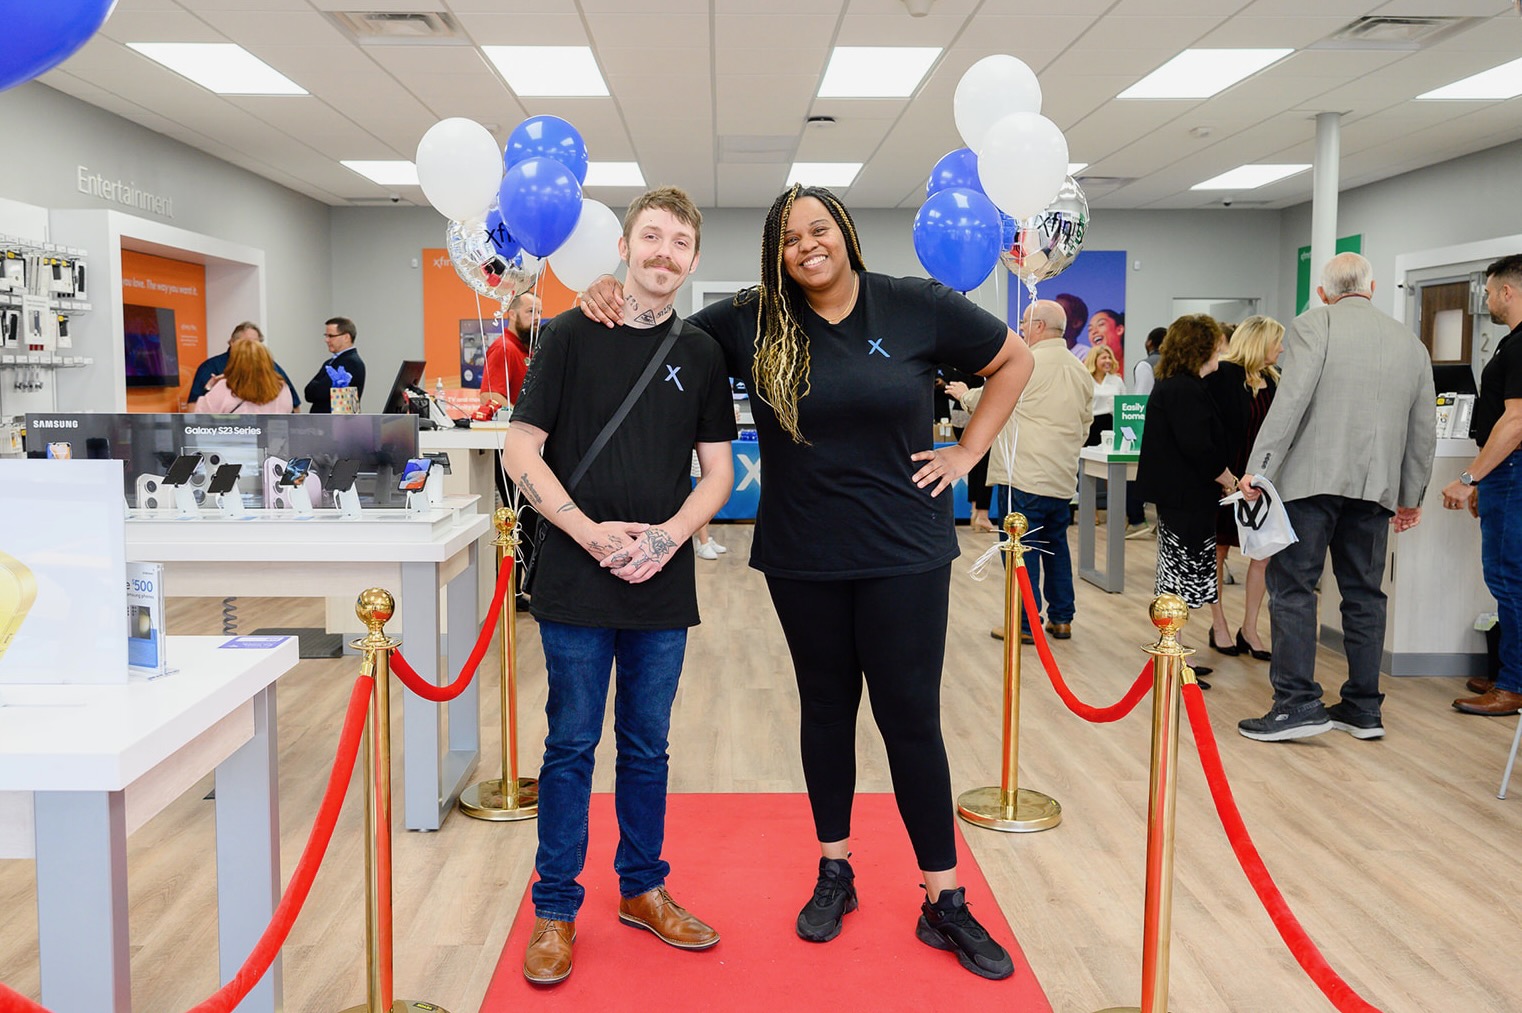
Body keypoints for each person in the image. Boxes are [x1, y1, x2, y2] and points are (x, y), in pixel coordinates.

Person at [580, 184, 1033, 980]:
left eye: (819, 230)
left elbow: (1012, 359)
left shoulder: (915, 305)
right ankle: (835, 870)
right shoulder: (753, 319)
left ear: (846, 233)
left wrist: (968, 454)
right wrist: (606, 290)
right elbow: (661, 339)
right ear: (775, 253)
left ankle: (945, 898)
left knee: (908, 718)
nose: (806, 246)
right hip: (804, 554)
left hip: (904, 550)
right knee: (826, 708)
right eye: (789, 239)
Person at [502, 186, 736, 986]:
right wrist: (585, 529)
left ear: (693, 260)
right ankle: (556, 909)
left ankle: (641, 887)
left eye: (679, 243)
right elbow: (520, 450)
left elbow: (719, 472)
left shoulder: (701, 352)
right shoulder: (568, 333)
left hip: (659, 579)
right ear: (626, 247)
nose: (664, 254)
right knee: (569, 746)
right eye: (652, 237)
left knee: (647, 745)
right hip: (575, 571)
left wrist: (669, 537)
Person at [1237, 252, 1436, 741]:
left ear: (1324, 292)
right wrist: (1411, 496)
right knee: (1365, 595)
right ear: (1371, 289)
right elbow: (1423, 428)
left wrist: (1257, 471)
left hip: (1311, 483)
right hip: (1376, 491)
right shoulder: (1410, 343)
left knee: (1293, 589)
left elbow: (1290, 402)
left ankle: (1297, 704)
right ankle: (1363, 707)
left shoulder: (1314, 324)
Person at [949, 298, 1091, 644]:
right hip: (1061, 478)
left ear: (1039, 327)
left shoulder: (1027, 362)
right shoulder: (1080, 370)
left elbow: (990, 399)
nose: (1022, 330)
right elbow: (1085, 425)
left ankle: (1025, 623)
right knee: (1056, 546)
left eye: (1025, 323)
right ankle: (1061, 619)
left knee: (1019, 552)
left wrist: (965, 395)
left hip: (1023, 475)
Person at [1135, 315, 1234, 688]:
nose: (1220, 354)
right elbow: (1198, 447)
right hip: (1184, 496)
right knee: (1177, 578)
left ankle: (1176, 653)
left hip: (1188, 496)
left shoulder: (1182, 385)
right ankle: (1171, 657)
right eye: (1216, 346)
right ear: (1201, 348)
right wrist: (1227, 478)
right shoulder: (1183, 389)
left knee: (1182, 576)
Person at [1446, 254, 1522, 716]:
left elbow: (1515, 423)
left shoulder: (1520, 347)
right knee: (1506, 578)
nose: (1488, 299)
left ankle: (1512, 685)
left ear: (1509, 292)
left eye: (1491, 291)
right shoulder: (1510, 344)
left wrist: (1469, 476)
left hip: (1512, 471)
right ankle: (1509, 671)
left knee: (1508, 579)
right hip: (1505, 475)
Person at [1204, 315, 1283, 661]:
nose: (1281, 348)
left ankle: (1249, 627)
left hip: (1262, 479)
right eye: (1276, 342)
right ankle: (1218, 623)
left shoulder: (1273, 379)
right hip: (1226, 479)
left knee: (1262, 554)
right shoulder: (1222, 376)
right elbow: (1211, 430)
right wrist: (1224, 478)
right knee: (1217, 553)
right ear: (1259, 342)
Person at [185, 321, 300, 409]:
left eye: (256, 343)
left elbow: (294, 407)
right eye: (246, 343)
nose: (251, 347)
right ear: (232, 342)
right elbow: (193, 408)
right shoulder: (211, 368)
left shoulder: (272, 368)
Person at [936, 364, 994, 531]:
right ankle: (981, 513)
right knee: (984, 463)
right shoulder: (981, 358)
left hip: (959, 413)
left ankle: (976, 510)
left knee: (974, 463)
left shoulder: (957, 359)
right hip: (974, 410)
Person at [1124, 326, 1167, 538]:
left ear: (1149, 342)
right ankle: (1163, 523)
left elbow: (1140, 400)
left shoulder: (1146, 365)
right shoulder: (1175, 364)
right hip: (1170, 434)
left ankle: (1136, 520)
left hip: (1149, 430)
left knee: (1134, 475)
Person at [480, 292, 540, 407]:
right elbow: (489, 396)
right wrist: (519, 419)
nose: (537, 317)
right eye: (531, 311)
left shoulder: (526, 350)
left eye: (539, 312)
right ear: (512, 315)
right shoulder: (504, 348)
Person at [304, 316, 366, 413]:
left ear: (346, 337)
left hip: (336, 424)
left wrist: (316, 385)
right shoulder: (330, 362)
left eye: (331, 336)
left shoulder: (350, 362)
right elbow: (308, 393)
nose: (326, 340)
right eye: (326, 335)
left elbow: (319, 392)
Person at [1084, 344, 1125, 447]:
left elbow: (1124, 404)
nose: (1108, 361)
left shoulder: (1117, 381)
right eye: (1104, 358)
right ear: (1094, 360)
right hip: (1091, 426)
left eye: (1110, 357)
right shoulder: (1086, 380)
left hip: (1112, 426)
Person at [1088, 308, 1125, 373]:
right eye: (1090, 329)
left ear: (1119, 330)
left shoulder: (1130, 362)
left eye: (1101, 324)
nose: (1094, 331)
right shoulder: (1085, 366)